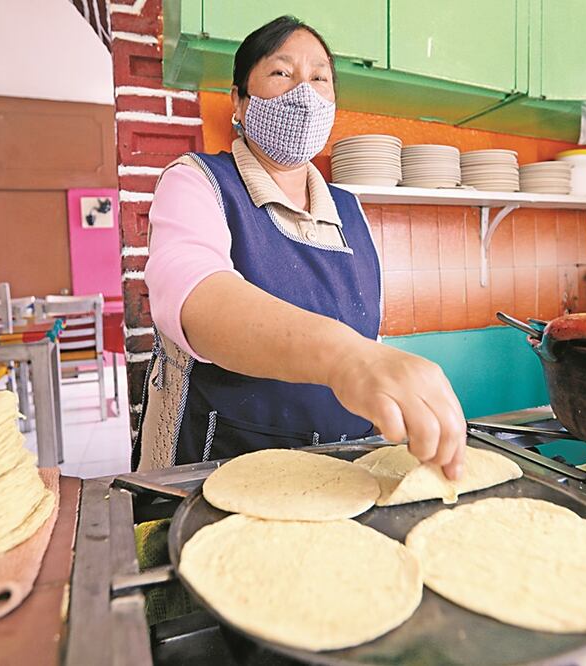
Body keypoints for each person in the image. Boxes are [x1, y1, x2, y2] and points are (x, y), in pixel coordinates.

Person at [135, 16, 466, 478]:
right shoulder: (197, 181)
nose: (303, 94)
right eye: (281, 73)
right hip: (217, 466)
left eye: (319, 78)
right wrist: (346, 358)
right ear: (239, 101)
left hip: (342, 471)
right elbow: (195, 297)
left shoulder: (351, 211)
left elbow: (371, 335)